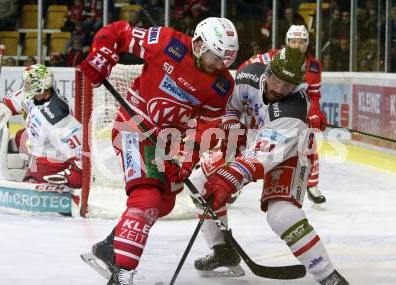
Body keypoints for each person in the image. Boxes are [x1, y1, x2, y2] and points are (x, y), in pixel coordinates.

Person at [80, 17, 239, 284]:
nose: (220, 65)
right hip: (133, 126)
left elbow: (206, 125)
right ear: (199, 44)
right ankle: (122, 274)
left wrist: (188, 157)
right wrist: (103, 54)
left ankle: (110, 248)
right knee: (147, 199)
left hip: (167, 143)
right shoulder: (168, 43)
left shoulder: (221, 85)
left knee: (163, 202)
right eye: (216, 57)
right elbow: (119, 32)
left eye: (226, 60)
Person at [192, 46, 349, 284]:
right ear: (268, 71)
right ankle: (222, 251)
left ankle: (328, 275)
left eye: (288, 85)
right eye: (276, 79)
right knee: (198, 182)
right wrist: (233, 127)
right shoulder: (247, 76)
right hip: (254, 140)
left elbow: (263, 157)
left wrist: (229, 177)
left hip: (289, 151)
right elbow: (231, 107)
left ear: (297, 86)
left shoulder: (293, 110)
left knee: (282, 214)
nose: (279, 89)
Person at [238, 25, 328, 206]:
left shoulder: (314, 67)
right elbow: (244, 69)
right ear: (286, 42)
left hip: (293, 108)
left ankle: (312, 184)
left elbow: (314, 95)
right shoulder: (272, 57)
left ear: (307, 44)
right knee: (245, 140)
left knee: (308, 139)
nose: (297, 45)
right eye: (293, 41)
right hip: (265, 102)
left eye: (301, 42)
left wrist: (315, 114)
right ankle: (237, 180)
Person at [0, 64, 82, 189]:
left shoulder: (57, 118)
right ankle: (28, 162)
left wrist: (69, 177)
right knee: (19, 137)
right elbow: (9, 104)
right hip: (38, 141)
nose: (25, 86)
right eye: (26, 81)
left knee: (32, 182)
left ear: (42, 84)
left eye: (30, 82)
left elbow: (80, 156)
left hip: (53, 160)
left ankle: (40, 173)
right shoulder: (32, 94)